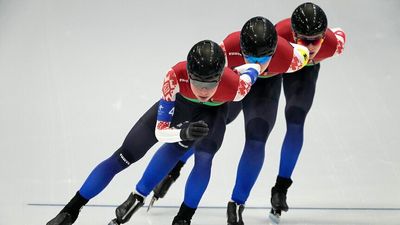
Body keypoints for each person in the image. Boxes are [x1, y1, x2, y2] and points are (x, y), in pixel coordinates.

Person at [46, 40, 261, 225]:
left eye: (210, 85)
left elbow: (254, 69)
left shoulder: (236, 88)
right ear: (188, 75)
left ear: (220, 78)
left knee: (204, 159)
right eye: (197, 83)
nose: (203, 91)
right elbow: (160, 132)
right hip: (181, 106)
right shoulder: (174, 76)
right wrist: (182, 132)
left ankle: (183, 218)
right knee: (123, 155)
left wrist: (239, 70)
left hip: (212, 114)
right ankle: (70, 211)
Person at [120, 16, 309, 225]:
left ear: (273, 52)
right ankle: (173, 169)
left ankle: (236, 203)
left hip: (264, 89)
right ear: (241, 48)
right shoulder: (229, 46)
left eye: (263, 57)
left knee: (257, 138)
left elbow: (307, 54)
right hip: (234, 85)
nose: (255, 63)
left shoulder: (292, 58)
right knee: (203, 130)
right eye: (249, 56)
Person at [268, 2, 346, 223]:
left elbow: (340, 33)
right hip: (276, 64)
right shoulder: (278, 35)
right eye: (304, 40)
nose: (311, 47)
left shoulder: (332, 45)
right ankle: (177, 165)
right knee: (231, 112)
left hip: (304, 71)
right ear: (294, 35)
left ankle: (281, 188)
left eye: (316, 40)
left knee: (295, 119)